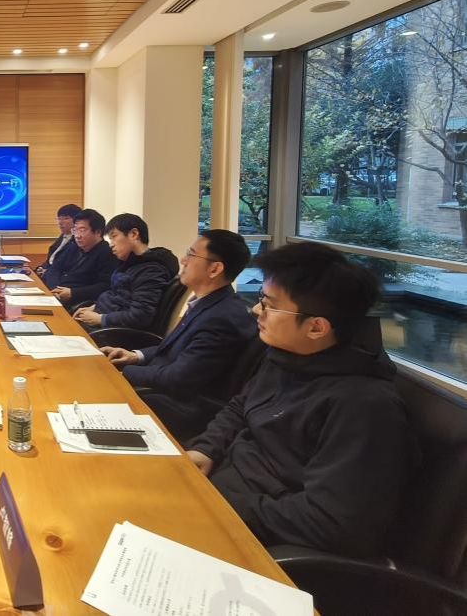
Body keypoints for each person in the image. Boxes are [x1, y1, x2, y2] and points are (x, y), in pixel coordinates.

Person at [185, 243, 416, 558]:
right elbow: (241, 406)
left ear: (316, 327)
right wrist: (206, 448)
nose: (256, 311)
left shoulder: (364, 406)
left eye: (269, 305)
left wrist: (225, 506)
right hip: (220, 491)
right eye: (260, 299)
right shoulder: (285, 356)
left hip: (255, 539)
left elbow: (330, 523)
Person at [103, 230, 257, 440]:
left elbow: (179, 378)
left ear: (215, 268)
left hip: (176, 408)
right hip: (159, 389)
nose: (183, 260)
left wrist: (125, 373)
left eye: (191, 254)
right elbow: (174, 347)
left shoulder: (222, 318)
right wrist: (135, 355)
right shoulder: (209, 303)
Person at [73, 213, 178, 331]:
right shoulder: (131, 264)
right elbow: (117, 296)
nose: (111, 244)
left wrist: (100, 319)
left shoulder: (151, 271)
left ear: (134, 234)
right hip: (104, 321)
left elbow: (140, 316)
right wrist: (94, 307)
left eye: (114, 236)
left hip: (113, 332)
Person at [42, 208, 117, 307]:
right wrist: (55, 289)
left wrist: (73, 293)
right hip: (57, 295)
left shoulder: (107, 253)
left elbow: (105, 286)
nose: (77, 236)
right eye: (75, 230)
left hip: (78, 302)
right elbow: (54, 268)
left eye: (82, 230)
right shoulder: (73, 247)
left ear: (98, 232)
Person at [35, 204, 81, 276]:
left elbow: (68, 267)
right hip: (48, 273)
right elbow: (51, 259)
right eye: (59, 218)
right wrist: (41, 268)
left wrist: (47, 272)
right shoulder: (63, 236)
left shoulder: (78, 241)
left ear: (77, 221)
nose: (60, 222)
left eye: (66, 218)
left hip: (58, 278)